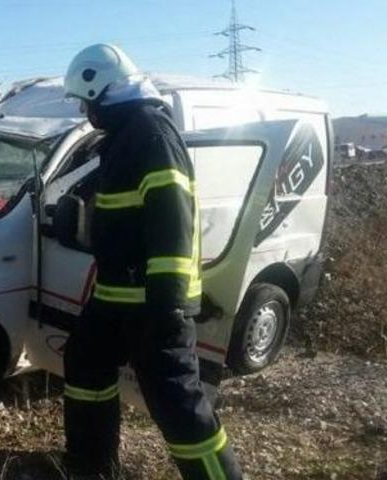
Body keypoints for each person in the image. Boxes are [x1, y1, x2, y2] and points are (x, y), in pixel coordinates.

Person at [60, 44, 243, 479]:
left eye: (86, 101)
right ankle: (92, 464)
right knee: (84, 363)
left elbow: (173, 220)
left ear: (103, 91)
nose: (85, 111)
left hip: (153, 303)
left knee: (176, 404)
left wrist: (168, 304)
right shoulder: (124, 138)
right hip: (114, 296)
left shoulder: (152, 135)